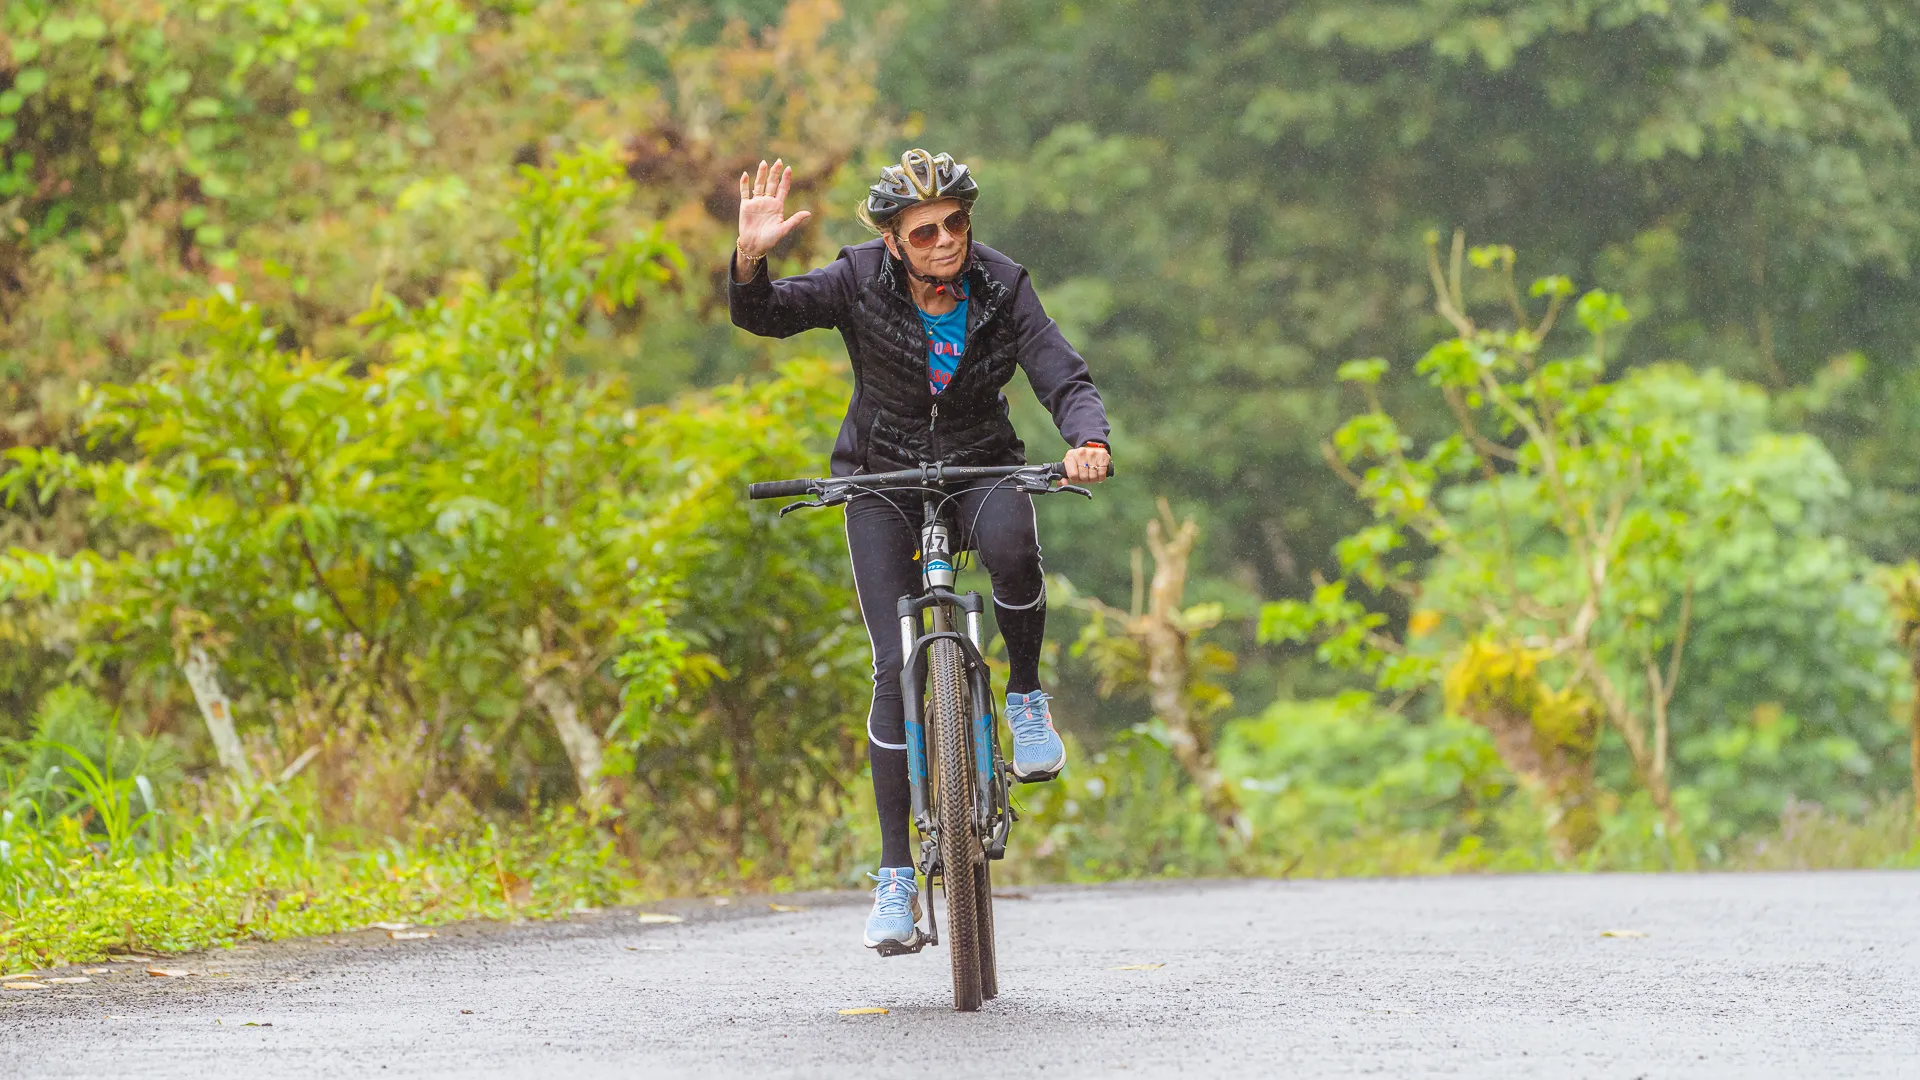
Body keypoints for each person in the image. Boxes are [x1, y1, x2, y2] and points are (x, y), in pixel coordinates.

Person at [728, 149, 1112, 951]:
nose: (946, 242)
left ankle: (1027, 698)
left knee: (1012, 546)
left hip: (979, 460)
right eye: (926, 231)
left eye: (958, 225)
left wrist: (1086, 440)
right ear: (895, 242)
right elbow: (766, 316)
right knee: (888, 668)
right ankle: (896, 876)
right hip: (881, 476)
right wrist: (751, 259)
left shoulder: (1003, 285)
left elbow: (1060, 374)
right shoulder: (858, 278)